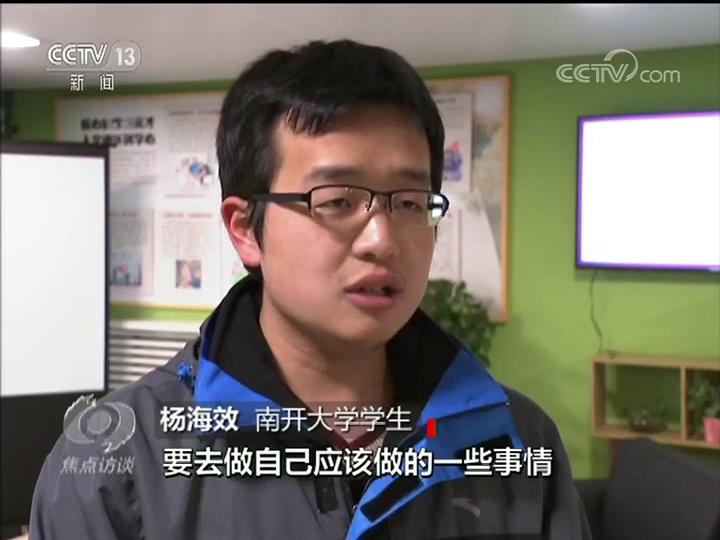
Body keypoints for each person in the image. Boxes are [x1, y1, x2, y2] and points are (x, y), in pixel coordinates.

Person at [30, 39, 591, 539]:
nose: (382, 240)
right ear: (246, 229)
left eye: (409, 203)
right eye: (337, 201)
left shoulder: (517, 443)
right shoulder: (117, 464)